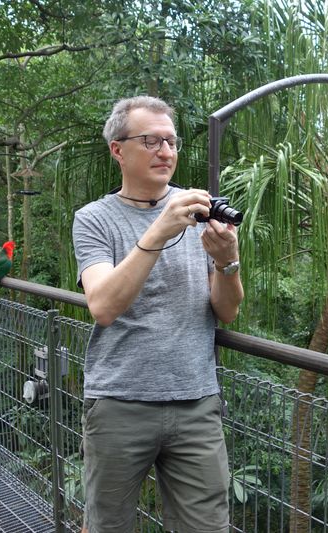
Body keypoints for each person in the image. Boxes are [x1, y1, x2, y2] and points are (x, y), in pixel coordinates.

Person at [73, 96, 243, 532]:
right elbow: (104, 306)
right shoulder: (94, 219)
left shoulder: (200, 214)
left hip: (196, 402)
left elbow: (227, 310)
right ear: (118, 150)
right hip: (119, 403)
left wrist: (227, 261)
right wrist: (160, 229)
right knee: (108, 525)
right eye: (151, 141)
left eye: (171, 141)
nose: (166, 152)